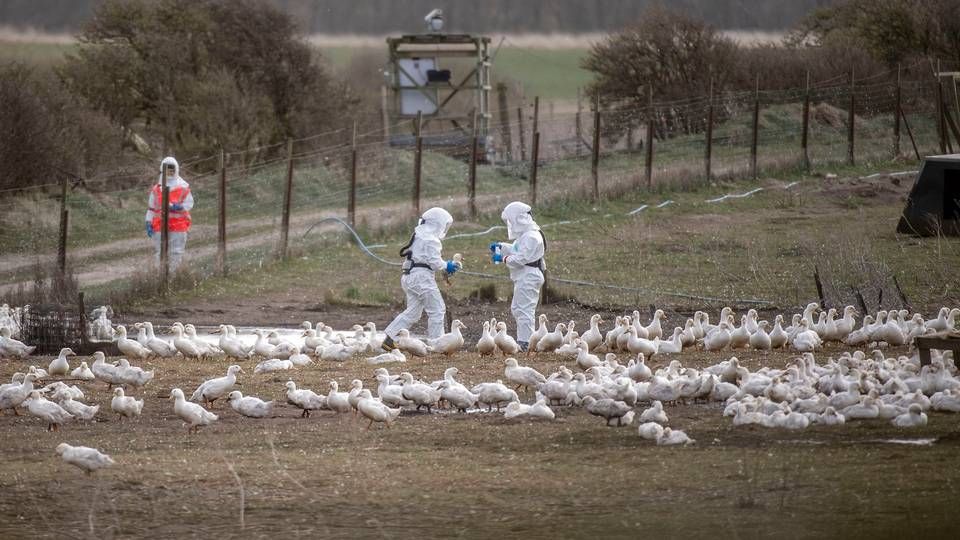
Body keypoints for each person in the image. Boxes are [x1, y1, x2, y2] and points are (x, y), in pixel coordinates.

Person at [382, 207, 461, 350]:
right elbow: (435, 262)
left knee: (413, 313)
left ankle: (390, 337)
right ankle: (437, 344)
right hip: (422, 279)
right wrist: (447, 266)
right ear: (438, 224)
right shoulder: (431, 240)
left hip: (409, 276)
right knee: (437, 310)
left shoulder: (419, 235)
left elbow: (426, 258)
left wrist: (445, 265)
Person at [491, 201, 545, 352]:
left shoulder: (532, 237)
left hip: (529, 276)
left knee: (524, 310)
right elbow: (516, 250)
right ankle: (525, 340)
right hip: (524, 276)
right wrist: (501, 248)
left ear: (518, 219)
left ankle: (526, 342)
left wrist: (503, 258)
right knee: (518, 309)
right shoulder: (526, 235)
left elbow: (520, 258)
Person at [145, 156, 194, 272]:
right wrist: (148, 221)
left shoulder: (183, 187)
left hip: (178, 226)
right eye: (167, 170)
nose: (170, 173)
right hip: (159, 226)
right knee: (160, 252)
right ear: (162, 170)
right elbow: (151, 208)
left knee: (176, 253)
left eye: (172, 170)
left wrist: (180, 207)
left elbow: (189, 204)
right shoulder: (156, 189)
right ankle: (160, 278)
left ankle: (172, 278)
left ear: (176, 169)